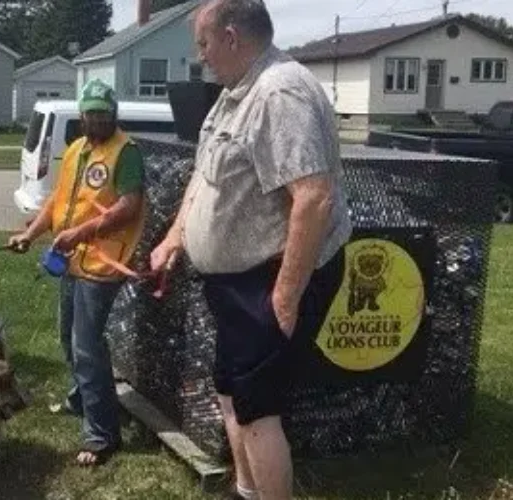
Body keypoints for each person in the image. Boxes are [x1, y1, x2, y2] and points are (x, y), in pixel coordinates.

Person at [149, 1, 353, 499]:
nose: (200, 57)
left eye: (203, 44)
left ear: (232, 37)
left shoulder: (279, 91)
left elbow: (313, 197)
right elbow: (204, 174)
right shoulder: (233, 94)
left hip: (271, 278)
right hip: (236, 283)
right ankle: (246, 491)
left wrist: (284, 300)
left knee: (258, 409)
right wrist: (176, 235)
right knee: (232, 393)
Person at [6, 79, 146, 466]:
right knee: (69, 338)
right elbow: (58, 199)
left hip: (102, 265)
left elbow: (129, 206)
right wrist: (31, 233)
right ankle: (83, 399)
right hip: (71, 259)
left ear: (113, 113)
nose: (97, 119)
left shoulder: (126, 152)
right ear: (82, 115)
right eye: (91, 113)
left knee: (87, 346)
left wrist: (81, 232)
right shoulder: (75, 149)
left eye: (103, 112)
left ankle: (101, 434)